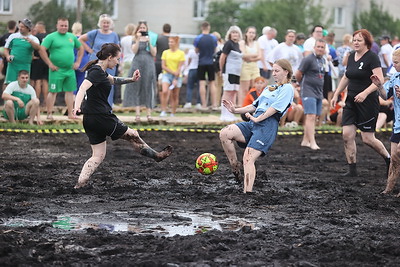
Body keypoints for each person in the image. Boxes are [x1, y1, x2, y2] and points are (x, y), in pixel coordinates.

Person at [72, 43, 173, 189]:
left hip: (90, 119)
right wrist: (76, 107)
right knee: (132, 134)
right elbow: (82, 88)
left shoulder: (100, 71)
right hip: (102, 117)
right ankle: (157, 156)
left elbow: (113, 80)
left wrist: (131, 79)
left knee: (98, 156)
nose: (118, 62)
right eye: (117, 59)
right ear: (110, 57)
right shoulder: (96, 72)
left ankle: (80, 184)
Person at [219, 59, 294, 193]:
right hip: (254, 122)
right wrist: (235, 110)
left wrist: (258, 118)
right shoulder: (269, 88)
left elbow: (275, 108)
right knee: (225, 133)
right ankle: (235, 167)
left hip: (267, 126)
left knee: (248, 157)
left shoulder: (287, 88)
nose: (274, 74)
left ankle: (247, 192)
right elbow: (254, 106)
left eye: (277, 71)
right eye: (273, 71)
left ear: (286, 72)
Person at [331, 29, 391, 177]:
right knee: (347, 135)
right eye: (354, 40)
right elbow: (346, 76)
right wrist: (337, 93)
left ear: (366, 42)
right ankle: (352, 170)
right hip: (351, 101)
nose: (356, 42)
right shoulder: (351, 56)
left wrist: (365, 93)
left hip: (367, 102)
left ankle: (389, 159)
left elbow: (380, 80)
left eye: (359, 40)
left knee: (368, 139)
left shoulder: (372, 57)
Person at [39, 17, 84, 120]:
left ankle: (70, 114)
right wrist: (49, 64)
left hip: (69, 69)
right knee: (53, 91)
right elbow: (42, 49)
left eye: (65, 26)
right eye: (62, 25)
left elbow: (80, 48)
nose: (64, 27)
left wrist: (78, 62)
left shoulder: (71, 36)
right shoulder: (51, 37)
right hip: (56, 69)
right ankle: (49, 113)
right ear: (57, 26)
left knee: (70, 91)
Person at [371, 49, 400, 196]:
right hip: (398, 124)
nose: (393, 65)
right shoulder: (395, 77)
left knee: (399, 152)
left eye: (396, 62)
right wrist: (379, 86)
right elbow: (385, 96)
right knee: (394, 157)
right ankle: (389, 188)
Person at [79, 14, 120, 107]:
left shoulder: (114, 35)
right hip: (96, 61)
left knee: (109, 83)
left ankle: (108, 106)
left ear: (111, 24)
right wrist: (89, 50)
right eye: (104, 22)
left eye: (107, 23)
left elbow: (117, 49)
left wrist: (118, 60)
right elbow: (81, 39)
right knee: (94, 82)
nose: (105, 24)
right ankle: (92, 105)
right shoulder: (95, 32)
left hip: (110, 63)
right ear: (100, 23)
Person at [296, 39, 326, 150]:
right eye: (318, 46)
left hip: (318, 91)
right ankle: (313, 142)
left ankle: (305, 140)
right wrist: (300, 85)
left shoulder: (323, 60)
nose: (320, 49)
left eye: (322, 47)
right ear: (314, 47)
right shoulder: (308, 59)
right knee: (310, 116)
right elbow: (299, 73)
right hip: (308, 90)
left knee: (314, 116)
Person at [123, 21, 156, 122]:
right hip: (137, 62)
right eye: (140, 27)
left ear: (147, 29)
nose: (142, 29)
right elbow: (134, 51)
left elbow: (154, 53)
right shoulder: (134, 38)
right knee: (137, 86)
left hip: (149, 63)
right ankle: (137, 113)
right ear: (137, 29)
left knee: (148, 87)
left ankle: (149, 114)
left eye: (144, 28)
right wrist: (138, 39)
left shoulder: (152, 38)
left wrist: (149, 42)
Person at [3, 19, 40, 85]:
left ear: (28, 28)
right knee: (9, 84)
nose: (20, 28)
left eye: (22, 27)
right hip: (13, 64)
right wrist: (7, 56)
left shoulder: (34, 38)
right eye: (20, 26)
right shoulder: (13, 36)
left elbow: (38, 48)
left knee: (23, 84)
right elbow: (6, 49)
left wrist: (31, 42)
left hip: (25, 65)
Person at [219, 25, 243, 122]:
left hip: (236, 73)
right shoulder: (228, 44)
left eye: (236, 32)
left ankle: (230, 113)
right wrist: (221, 70)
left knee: (233, 92)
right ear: (230, 34)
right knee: (227, 92)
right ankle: (223, 113)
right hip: (229, 71)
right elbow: (222, 57)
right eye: (233, 32)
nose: (235, 34)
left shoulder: (237, 45)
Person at [194, 21, 218, 110]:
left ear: (202, 28)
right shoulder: (213, 38)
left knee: (202, 83)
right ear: (209, 28)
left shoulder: (198, 38)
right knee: (212, 83)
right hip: (211, 62)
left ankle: (204, 105)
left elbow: (196, 50)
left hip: (201, 62)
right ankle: (214, 104)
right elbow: (215, 50)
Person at [160, 36, 186, 117]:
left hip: (177, 75)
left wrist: (176, 77)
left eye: (172, 42)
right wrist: (172, 72)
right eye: (169, 42)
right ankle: (163, 110)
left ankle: (173, 112)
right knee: (164, 91)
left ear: (176, 43)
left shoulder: (181, 53)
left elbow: (180, 67)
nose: (170, 44)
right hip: (167, 74)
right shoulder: (165, 52)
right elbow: (163, 66)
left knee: (175, 95)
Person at [238, 26, 261, 107]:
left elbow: (259, 56)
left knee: (256, 86)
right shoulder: (242, 43)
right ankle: (241, 106)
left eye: (253, 33)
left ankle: (253, 106)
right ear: (246, 33)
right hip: (245, 67)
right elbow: (243, 55)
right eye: (250, 32)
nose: (251, 34)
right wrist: (254, 55)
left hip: (254, 67)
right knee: (244, 88)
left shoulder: (257, 43)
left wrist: (250, 58)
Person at [30, 21, 49, 106]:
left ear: (40, 28)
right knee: (45, 81)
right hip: (47, 61)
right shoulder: (49, 37)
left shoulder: (35, 37)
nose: (36, 29)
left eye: (37, 27)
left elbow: (32, 49)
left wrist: (32, 56)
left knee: (37, 81)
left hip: (37, 60)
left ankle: (36, 100)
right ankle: (45, 101)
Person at [71, 22, 90, 95]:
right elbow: (88, 51)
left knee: (72, 83)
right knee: (81, 82)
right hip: (84, 62)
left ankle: (73, 99)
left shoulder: (71, 39)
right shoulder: (84, 39)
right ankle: (79, 100)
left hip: (73, 61)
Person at [120, 23, 136, 103]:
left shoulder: (123, 39)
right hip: (134, 60)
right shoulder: (135, 39)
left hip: (126, 60)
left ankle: (124, 99)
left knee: (125, 79)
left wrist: (120, 64)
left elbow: (121, 52)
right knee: (134, 80)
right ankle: (133, 100)